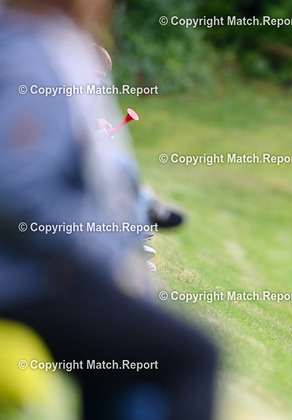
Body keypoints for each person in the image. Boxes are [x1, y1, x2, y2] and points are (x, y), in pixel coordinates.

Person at [0, 1, 218, 418]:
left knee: (123, 365)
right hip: (24, 279)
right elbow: (19, 192)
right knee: (193, 354)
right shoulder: (30, 57)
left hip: (37, 267)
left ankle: (142, 210)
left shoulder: (36, 45)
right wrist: (99, 249)